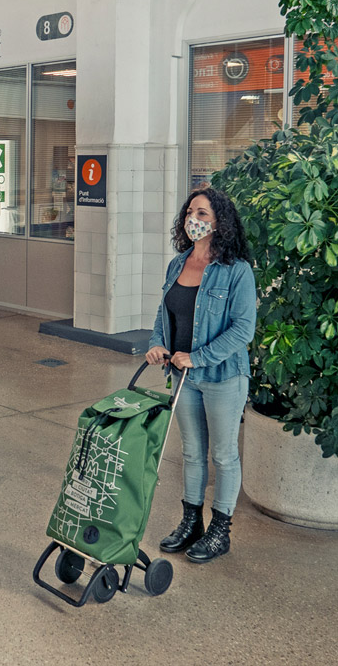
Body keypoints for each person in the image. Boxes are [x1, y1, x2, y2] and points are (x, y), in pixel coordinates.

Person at [146, 187, 256, 563]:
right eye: (191, 212)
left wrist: (199, 356)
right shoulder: (177, 265)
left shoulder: (236, 271)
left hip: (224, 376)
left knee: (224, 455)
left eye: (203, 214)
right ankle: (190, 522)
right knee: (192, 453)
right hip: (182, 376)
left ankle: (219, 530)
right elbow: (166, 315)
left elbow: (243, 331)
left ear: (220, 221)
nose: (194, 219)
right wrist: (157, 344)